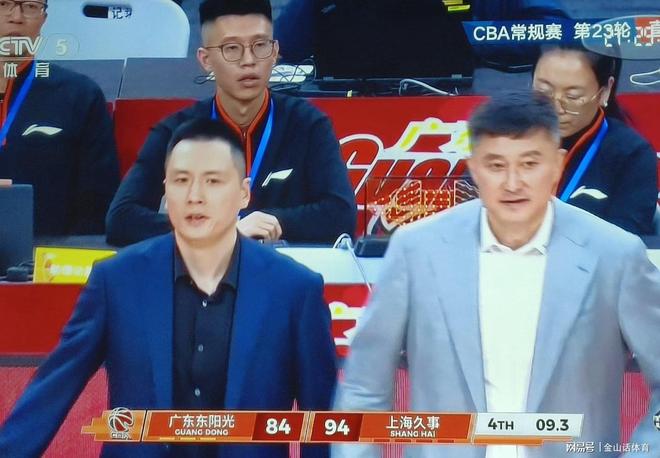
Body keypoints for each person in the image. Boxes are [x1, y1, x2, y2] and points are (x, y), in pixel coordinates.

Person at [332, 91, 660, 458]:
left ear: (557, 165)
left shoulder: (614, 255)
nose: (513, 183)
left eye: (529, 163)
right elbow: (363, 386)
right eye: (496, 165)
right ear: (473, 169)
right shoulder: (417, 250)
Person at [0, 118, 337, 458]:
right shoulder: (116, 281)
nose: (195, 197)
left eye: (213, 181)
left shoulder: (294, 290)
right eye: (181, 180)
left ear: (243, 193)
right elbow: (54, 387)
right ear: (166, 190)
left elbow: (321, 421)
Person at [106, 0, 356, 246]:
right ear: (205, 60)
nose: (248, 60)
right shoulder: (176, 131)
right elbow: (121, 218)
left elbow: (341, 214)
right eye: (232, 48)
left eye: (260, 45)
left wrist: (275, 221)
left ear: (275, 52)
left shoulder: (308, 124)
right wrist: (218, 230)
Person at [0, 0, 120, 236]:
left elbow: (97, 204)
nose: (16, 17)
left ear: (43, 19)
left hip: (46, 251)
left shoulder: (78, 94)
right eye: (3, 4)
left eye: (30, 6)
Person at [533, 45, 657, 235]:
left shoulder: (632, 154)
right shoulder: (506, 137)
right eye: (544, 92)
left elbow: (626, 240)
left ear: (605, 91)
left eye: (573, 96)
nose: (556, 108)